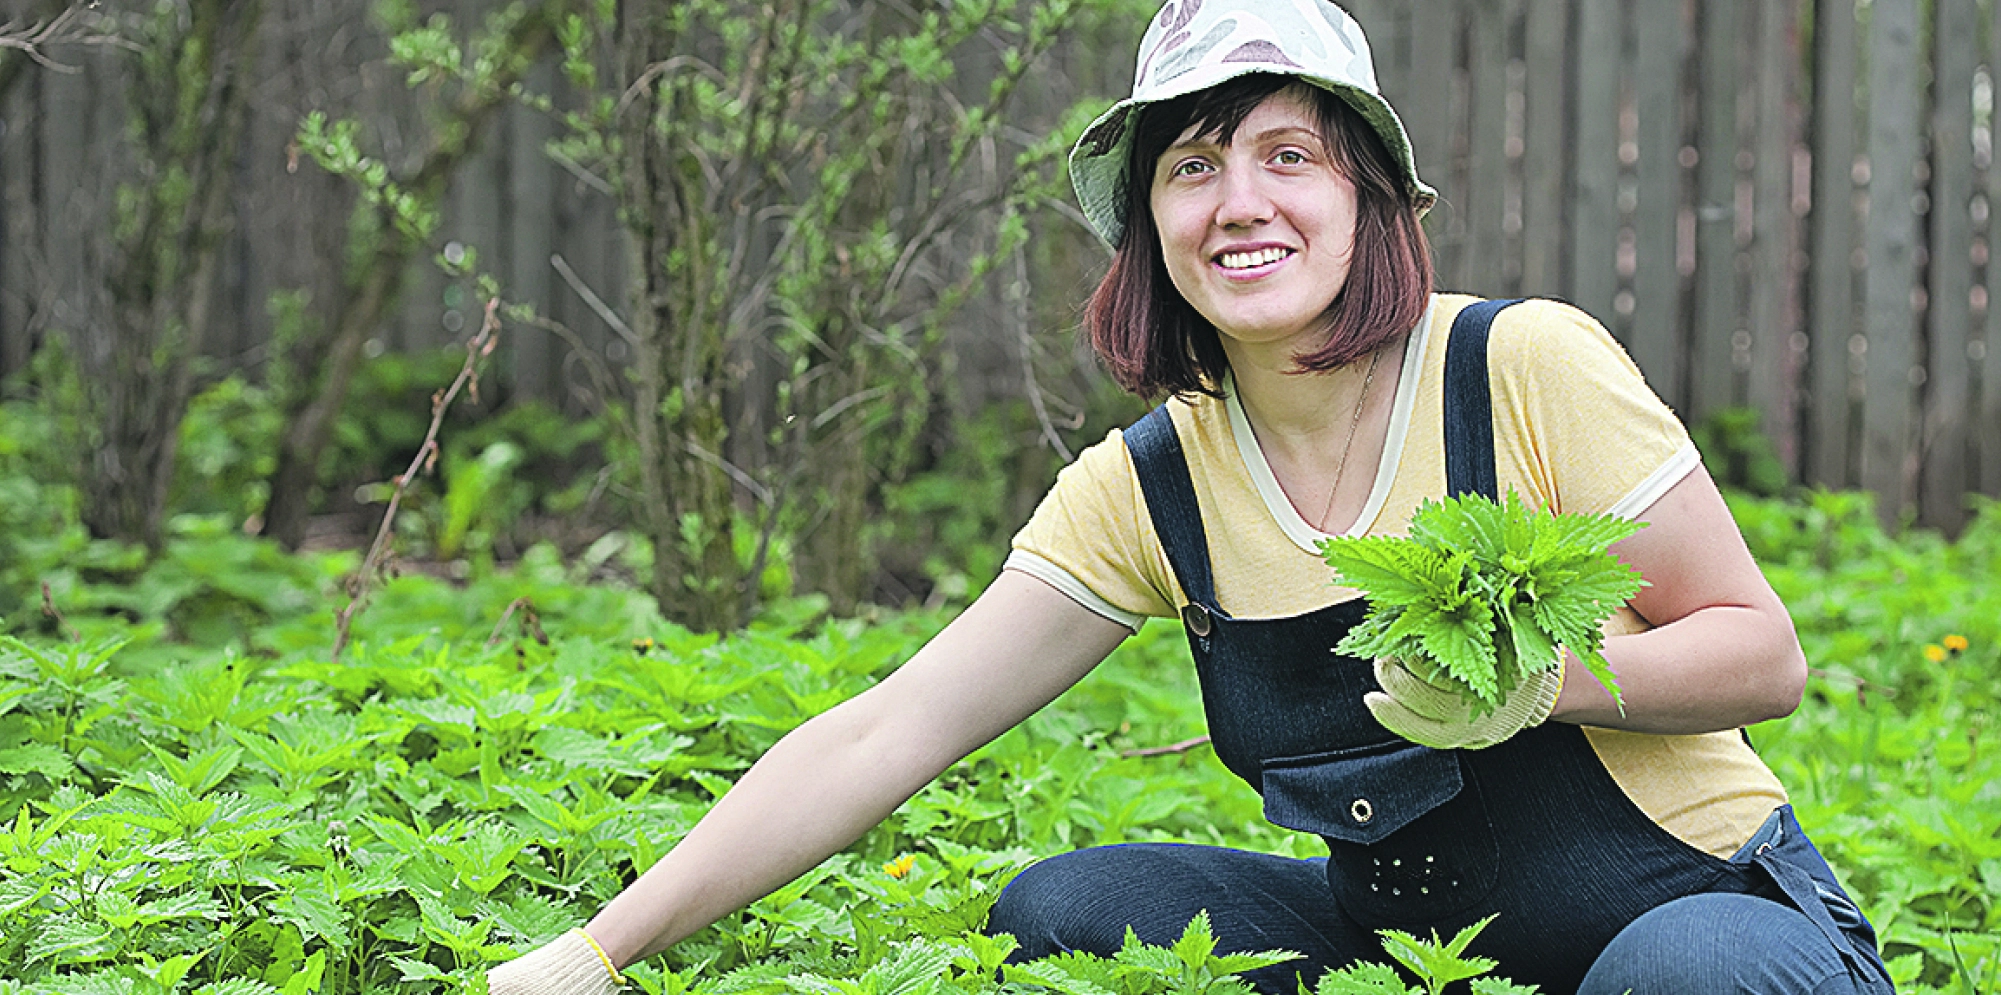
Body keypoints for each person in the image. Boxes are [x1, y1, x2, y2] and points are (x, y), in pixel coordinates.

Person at [489, 1, 1896, 992]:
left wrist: (1543, 686)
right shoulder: (1153, 482)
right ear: (1149, 227)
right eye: (1193, 165)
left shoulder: (1516, 366)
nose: (1240, 201)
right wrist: (597, 951)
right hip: (1417, 962)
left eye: (1289, 155)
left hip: (1706, 917)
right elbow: (889, 728)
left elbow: (1761, 652)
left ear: (1371, 198)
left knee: (1687, 972)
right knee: (1070, 911)